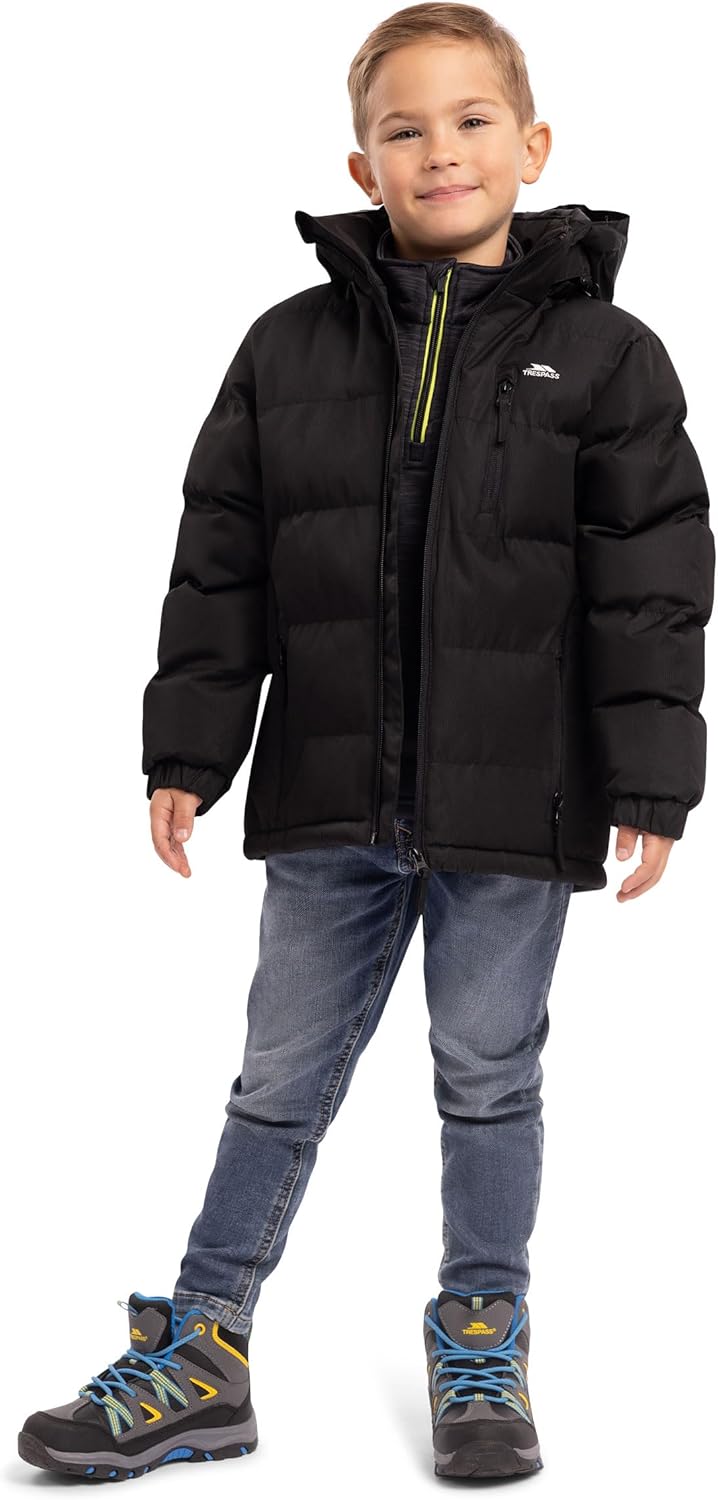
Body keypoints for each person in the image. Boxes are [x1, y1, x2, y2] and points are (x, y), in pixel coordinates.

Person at [18, 2, 714, 1485]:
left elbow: (653, 584)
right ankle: (203, 1349)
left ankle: (482, 1338)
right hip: (330, 791)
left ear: (533, 146)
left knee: (488, 1075)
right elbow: (223, 560)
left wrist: (652, 775)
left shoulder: (606, 358)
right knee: (277, 1077)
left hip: (518, 803)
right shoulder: (288, 348)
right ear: (361, 163)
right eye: (405, 128)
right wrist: (188, 746)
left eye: (471, 120)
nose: (439, 149)